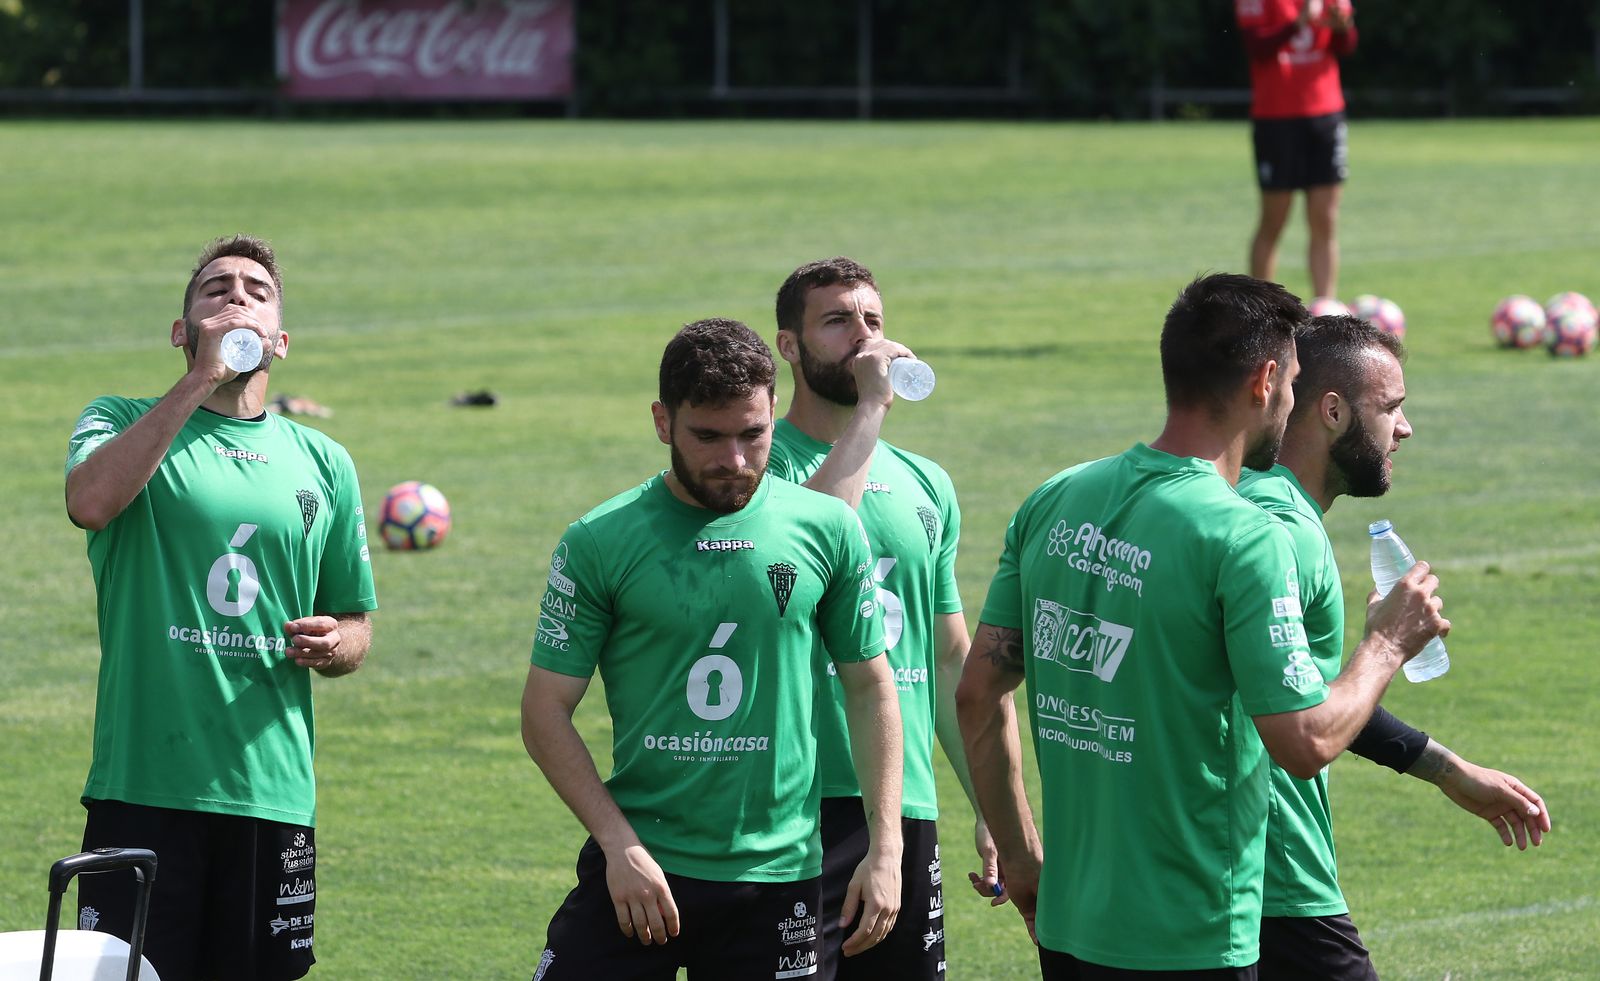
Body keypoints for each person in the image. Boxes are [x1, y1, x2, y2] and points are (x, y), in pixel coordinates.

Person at [955, 273, 1449, 978]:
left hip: (1070, 925)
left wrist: (1024, 854)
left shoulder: (1056, 497)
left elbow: (978, 693)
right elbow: (1303, 741)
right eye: (1292, 382)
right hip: (1190, 933)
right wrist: (1387, 643)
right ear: (1267, 379)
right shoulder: (1243, 537)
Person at [521, 317, 904, 981]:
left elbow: (870, 686)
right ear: (662, 421)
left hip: (780, 879)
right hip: (642, 864)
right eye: (708, 436)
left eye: (752, 434)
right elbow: (544, 709)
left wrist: (887, 846)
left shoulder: (827, 529)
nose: (734, 460)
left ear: (774, 411)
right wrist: (619, 844)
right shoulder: (600, 540)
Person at [64, 234, 377, 981]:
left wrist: (337, 642)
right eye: (216, 288)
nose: (237, 295)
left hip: (269, 794)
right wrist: (202, 381)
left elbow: (357, 620)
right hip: (142, 786)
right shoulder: (117, 418)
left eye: (256, 291)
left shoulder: (325, 463)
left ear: (282, 340)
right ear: (181, 330)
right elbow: (90, 500)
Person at [1239, 314, 1550, 979]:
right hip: (1273, 877)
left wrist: (1446, 768)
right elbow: (1298, 723)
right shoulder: (1281, 531)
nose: (1403, 429)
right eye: (1392, 408)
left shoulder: (1255, 504)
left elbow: (1303, 686)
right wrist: (1386, 644)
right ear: (1331, 410)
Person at [767, 258, 1001, 981]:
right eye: (836, 321)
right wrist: (870, 410)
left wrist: (989, 798)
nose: (864, 338)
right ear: (790, 346)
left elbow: (950, 658)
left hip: (903, 803)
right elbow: (812, 541)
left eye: (873, 320)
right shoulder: (760, 463)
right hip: (795, 802)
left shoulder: (927, 481)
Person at [1237, 0, 1358, 302]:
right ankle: (1261, 312)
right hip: (1276, 118)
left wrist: (1343, 27)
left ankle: (1325, 307)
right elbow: (1257, 47)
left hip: (1325, 113)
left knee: (1325, 218)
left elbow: (1346, 46)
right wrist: (1298, 23)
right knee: (1274, 219)